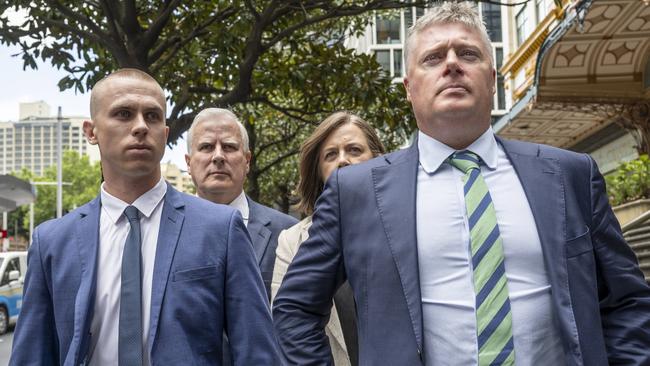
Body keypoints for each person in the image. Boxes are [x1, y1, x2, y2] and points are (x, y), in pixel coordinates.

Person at [273, 2, 650, 366]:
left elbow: (627, 301)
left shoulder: (570, 175)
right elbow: (295, 307)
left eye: (468, 54)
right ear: (408, 87)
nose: (452, 64)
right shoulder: (355, 192)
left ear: (492, 77)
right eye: (433, 58)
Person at [10, 69, 281, 365]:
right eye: (124, 114)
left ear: (165, 135)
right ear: (91, 131)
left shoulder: (221, 229)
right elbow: (32, 355)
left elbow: (257, 353)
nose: (140, 126)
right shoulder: (52, 241)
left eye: (152, 116)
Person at [271, 111, 385, 366]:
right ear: (319, 171)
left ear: (377, 159)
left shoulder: (403, 222)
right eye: (331, 155)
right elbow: (287, 325)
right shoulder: (292, 241)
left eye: (354, 150)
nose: (343, 161)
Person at [185, 107, 298, 300]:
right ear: (188, 163)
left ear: (247, 161)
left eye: (229, 147)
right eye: (206, 147)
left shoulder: (289, 233)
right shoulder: (165, 229)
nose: (218, 156)